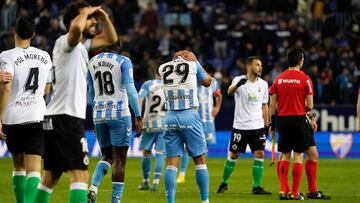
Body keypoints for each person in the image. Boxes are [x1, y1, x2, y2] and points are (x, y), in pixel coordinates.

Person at [35, 1, 117, 202]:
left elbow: (111, 38)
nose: (92, 22)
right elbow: (74, 30)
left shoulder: (80, 46)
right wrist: (86, 13)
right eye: (88, 17)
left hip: (56, 117)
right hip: (66, 117)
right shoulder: (66, 41)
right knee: (80, 174)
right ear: (75, 21)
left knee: (50, 178)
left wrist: (103, 17)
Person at [0, 16, 52, 203]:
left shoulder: (6, 56)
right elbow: (47, 89)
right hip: (37, 115)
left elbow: (6, 87)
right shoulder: (45, 56)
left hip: (12, 117)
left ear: (14, 31)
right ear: (33, 34)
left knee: (18, 167)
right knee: (34, 169)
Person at [87, 40, 142, 203]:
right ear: (118, 47)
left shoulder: (91, 62)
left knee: (106, 156)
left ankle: (94, 186)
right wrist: (138, 115)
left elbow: (91, 93)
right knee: (119, 160)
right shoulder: (124, 61)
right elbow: (131, 91)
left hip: (99, 114)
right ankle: (115, 201)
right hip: (119, 115)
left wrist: (95, 118)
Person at [159, 50, 212, 203]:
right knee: (200, 160)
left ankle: (170, 201)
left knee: (171, 164)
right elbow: (208, 82)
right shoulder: (193, 64)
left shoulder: (163, 68)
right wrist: (196, 60)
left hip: (169, 117)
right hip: (189, 115)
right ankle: (205, 201)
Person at [216, 56, 272, 195]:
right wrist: (237, 85)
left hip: (257, 126)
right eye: (257, 65)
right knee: (234, 155)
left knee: (259, 154)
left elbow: (265, 106)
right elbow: (229, 92)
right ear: (249, 66)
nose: (260, 67)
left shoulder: (264, 84)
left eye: (261, 65)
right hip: (240, 126)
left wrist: (267, 125)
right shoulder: (238, 79)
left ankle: (256, 187)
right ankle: (224, 183)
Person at [269, 46, 313, 200]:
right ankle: (295, 193)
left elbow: (272, 104)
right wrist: (301, 107)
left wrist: (272, 125)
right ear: (301, 61)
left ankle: (282, 190)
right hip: (299, 119)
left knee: (284, 155)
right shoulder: (305, 79)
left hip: (283, 120)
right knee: (299, 155)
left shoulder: (278, 79)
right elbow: (310, 105)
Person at [177, 62, 222, 184]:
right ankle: (182, 174)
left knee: (204, 148)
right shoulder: (193, 81)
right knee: (187, 147)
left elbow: (218, 95)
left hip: (208, 120)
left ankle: (202, 172)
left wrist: (217, 107)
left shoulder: (213, 82)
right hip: (194, 118)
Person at [137, 67, 166, 191]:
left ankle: (145, 181)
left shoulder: (148, 84)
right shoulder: (169, 86)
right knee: (160, 153)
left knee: (146, 152)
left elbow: (140, 99)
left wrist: (139, 117)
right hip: (165, 123)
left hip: (149, 122)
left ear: (155, 72)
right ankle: (155, 182)